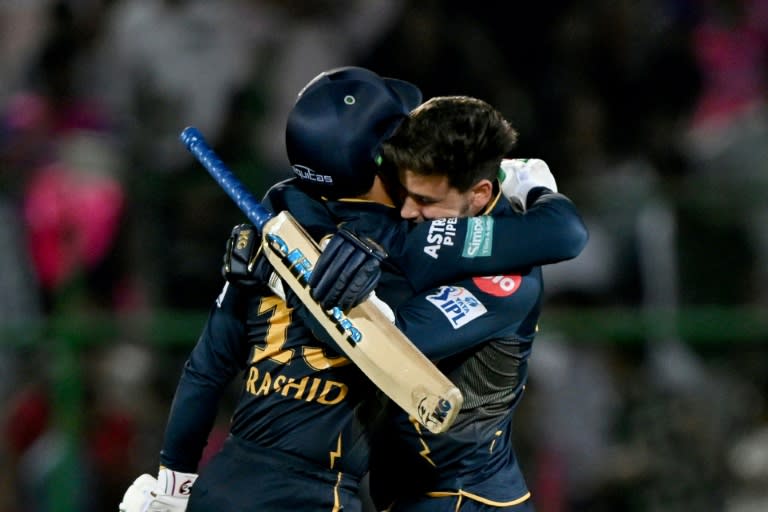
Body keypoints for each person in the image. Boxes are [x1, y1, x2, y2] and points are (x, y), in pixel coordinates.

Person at [118, 67, 586, 512]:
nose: (413, 207)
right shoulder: (413, 240)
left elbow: (206, 368)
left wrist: (173, 482)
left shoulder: (274, 218)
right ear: (380, 157)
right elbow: (563, 233)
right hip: (337, 493)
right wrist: (537, 188)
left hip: (458, 494)